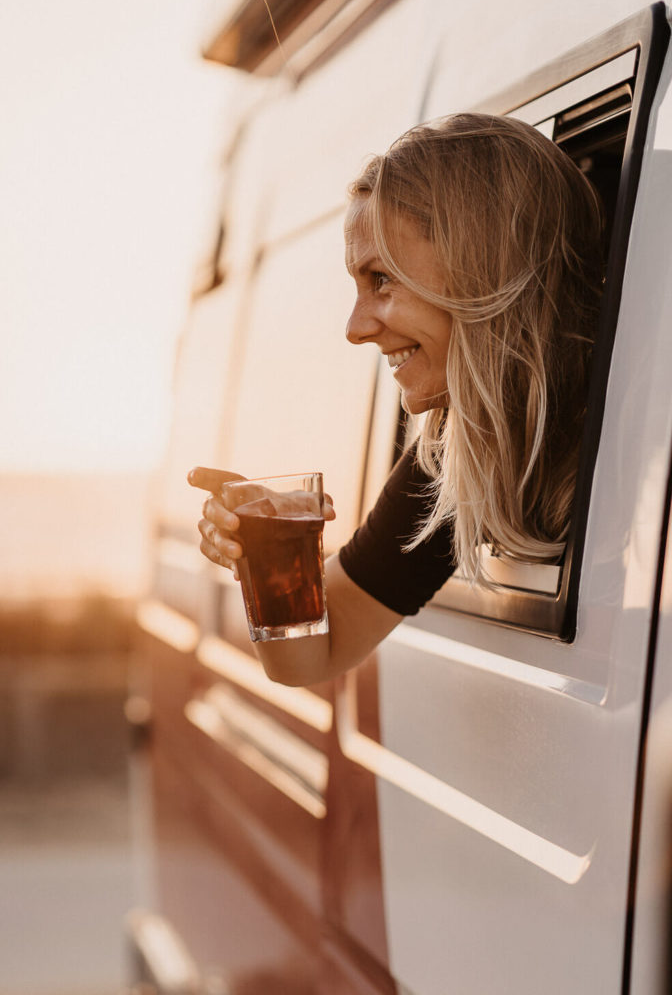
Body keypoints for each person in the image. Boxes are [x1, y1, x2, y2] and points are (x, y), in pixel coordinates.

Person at [189, 113, 604, 686]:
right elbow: (312, 658)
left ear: (482, 267)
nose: (355, 329)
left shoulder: (649, 398)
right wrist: (269, 559)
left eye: (380, 279)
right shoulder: (457, 448)